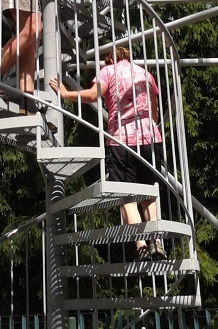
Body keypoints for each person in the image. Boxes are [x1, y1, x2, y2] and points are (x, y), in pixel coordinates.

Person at [49, 46, 167, 260]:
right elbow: (154, 110)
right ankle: (157, 241)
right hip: (150, 138)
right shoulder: (145, 74)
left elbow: (93, 95)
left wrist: (65, 94)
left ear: (109, 59)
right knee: (148, 194)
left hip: (121, 140)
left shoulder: (108, 71)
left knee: (126, 196)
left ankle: (140, 244)